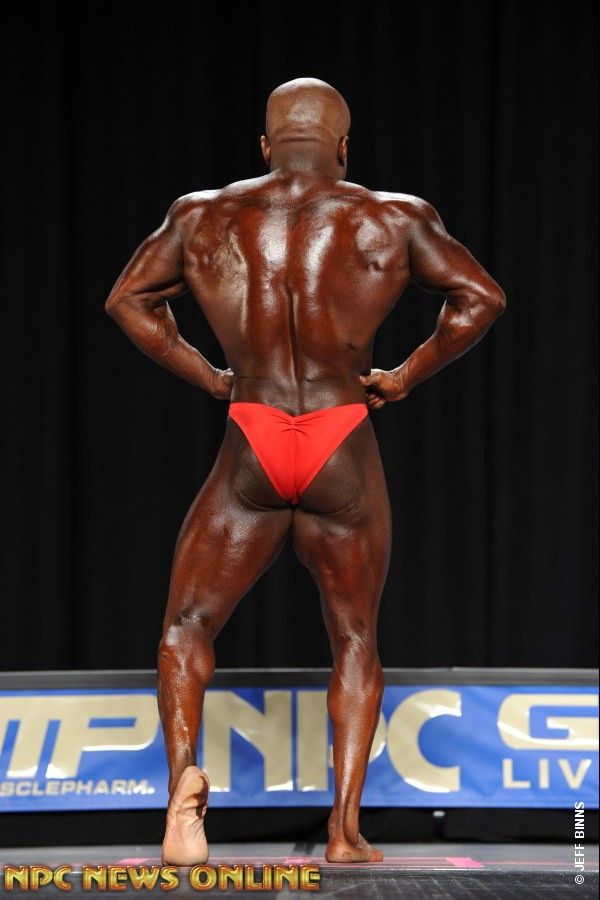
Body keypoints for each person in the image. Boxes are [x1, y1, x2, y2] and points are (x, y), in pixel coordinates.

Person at [105, 77, 506, 865]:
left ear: (265, 146)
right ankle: (344, 832)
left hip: (252, 434)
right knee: (354, 636)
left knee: (186, 626)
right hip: (340, 435)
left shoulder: (201, 215)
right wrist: (406, 375)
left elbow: (128, 301)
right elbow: (480, 299)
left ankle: (182, 795)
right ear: (344, 147)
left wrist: (210, 376)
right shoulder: (393, 216)